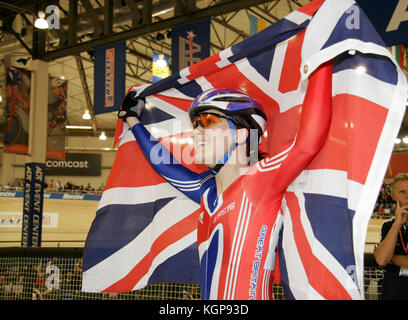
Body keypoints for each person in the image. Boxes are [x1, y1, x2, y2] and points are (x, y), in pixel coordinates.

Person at [118, 63, 333, 299]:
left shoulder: (259, 181)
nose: (196, 132)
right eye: (195, 124)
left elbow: (308, 140)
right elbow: (164, 166)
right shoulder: (207, 192)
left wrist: (321, 62)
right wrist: (132, 120)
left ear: (241, 134)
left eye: (208, 121)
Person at [374, 173, 408, 300]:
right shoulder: (388, 226)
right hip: (394, 293)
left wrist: (392, 258)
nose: (407, 196)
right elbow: (382, 259)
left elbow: (386, 258)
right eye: (402, 192)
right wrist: (397, 224)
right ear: (393, 196)